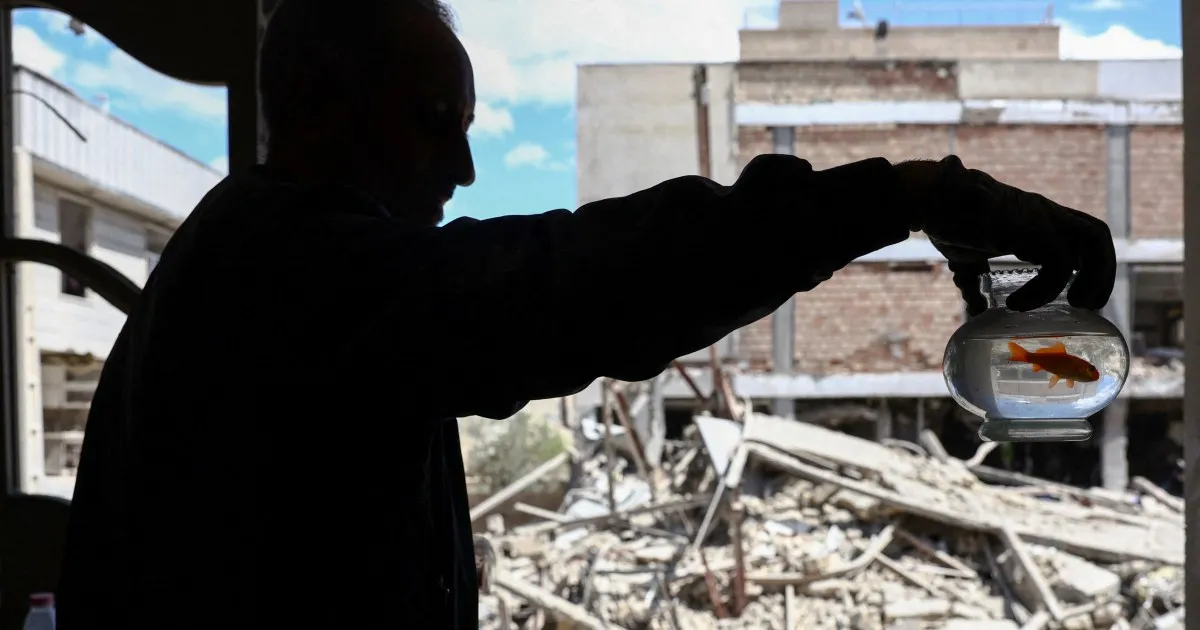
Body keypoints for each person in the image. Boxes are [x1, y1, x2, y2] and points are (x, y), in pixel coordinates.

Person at [55, 0, 1116, 628]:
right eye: (435, 120)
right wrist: (907, 195)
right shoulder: (291, 270)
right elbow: (575, 282)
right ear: (317, 104)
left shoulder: (263, 257)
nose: (465, 168)